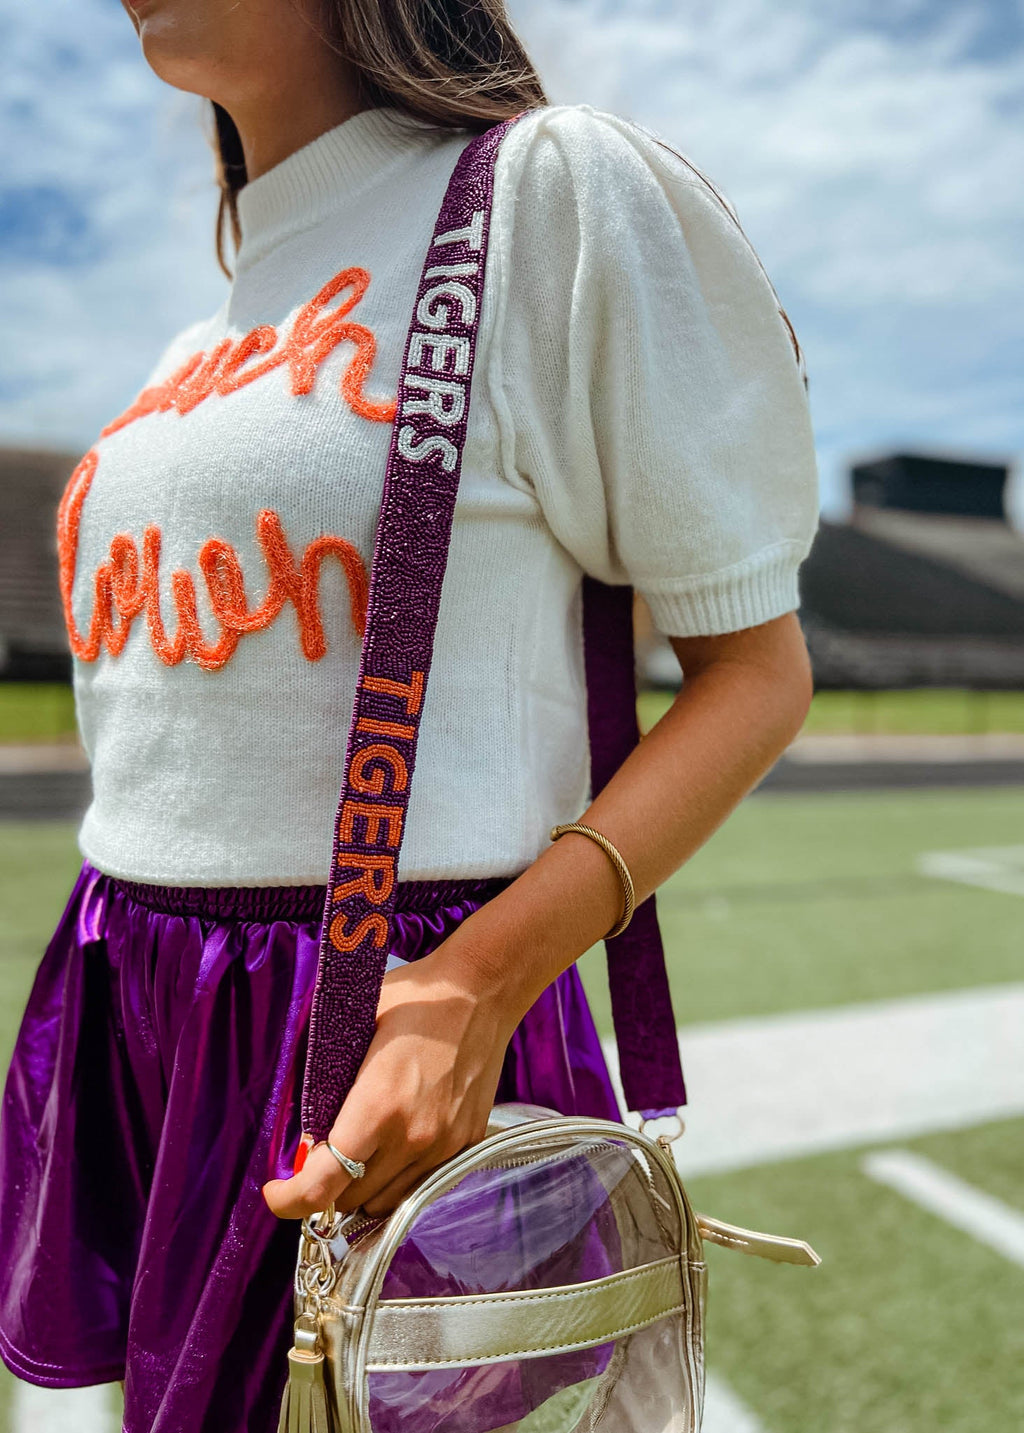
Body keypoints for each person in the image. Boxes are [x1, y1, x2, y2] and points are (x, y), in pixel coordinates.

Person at [0, 1, 820, 1429]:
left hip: (388, 1014)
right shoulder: (205, 326)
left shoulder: (545, 189)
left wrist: (476, 986)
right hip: (124, 1003)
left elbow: (757, 670)